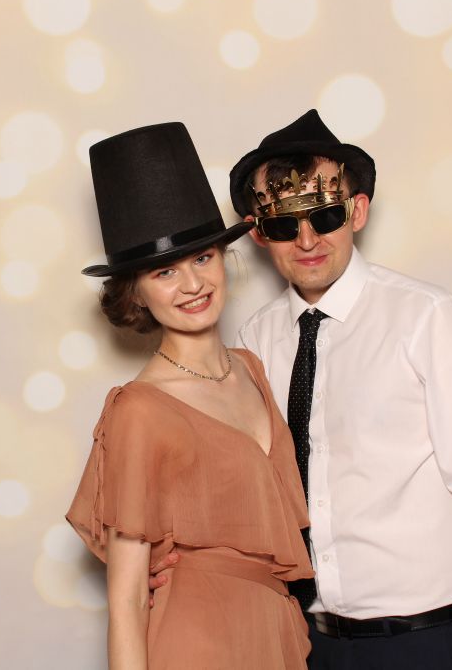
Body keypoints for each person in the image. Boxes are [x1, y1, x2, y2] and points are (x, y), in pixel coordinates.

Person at [226, 110, 452, 670]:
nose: (306, 239)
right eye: (283, 224)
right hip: (305, 642)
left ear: (357, 211)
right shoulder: (257, 338)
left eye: (324, 215)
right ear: (258, 231)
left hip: (421, 643)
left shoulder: (426, 317)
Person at [66, 122, 314, 669]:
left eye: (202, 258)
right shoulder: (138, 410)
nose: (193, 284)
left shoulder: (252, 368)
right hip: (197, 643)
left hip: (274, 636)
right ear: (136, 293)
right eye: (165, 272)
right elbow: (128, 599)